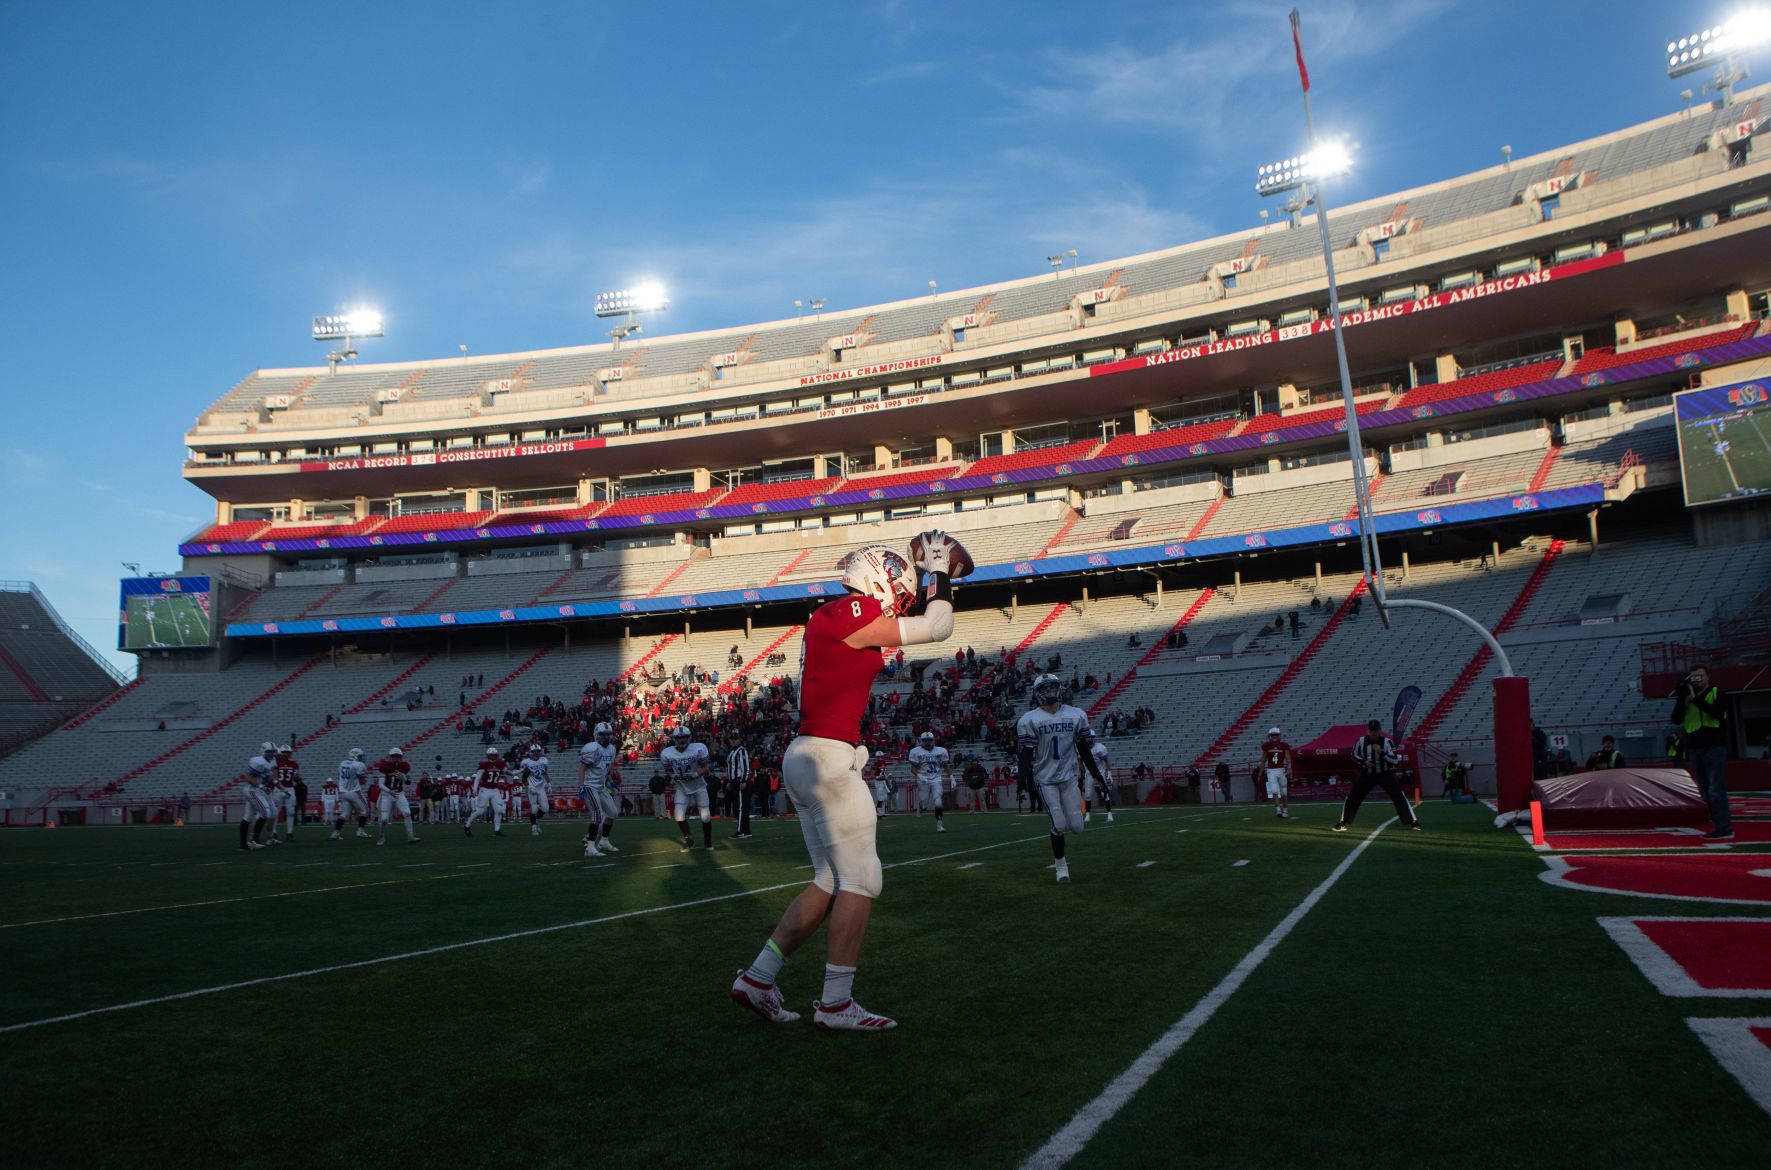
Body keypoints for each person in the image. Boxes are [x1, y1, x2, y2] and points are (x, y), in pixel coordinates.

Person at [730, 534, 957, 1032]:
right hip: (826, 758)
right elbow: (939, 625)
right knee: (863, 879)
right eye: (900, 584)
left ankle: (759, 978)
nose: (903, 595)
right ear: (879, 579)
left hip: (808, 754)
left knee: (830, 880)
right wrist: (938, 567)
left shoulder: (836, 618)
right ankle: (835, 1003)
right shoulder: (848, 612)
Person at [1018, 673, 1106, 883]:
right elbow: (1025, 756)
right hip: (1045, 779)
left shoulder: (1076, 715)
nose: (1049, 692)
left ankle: (1062, 858)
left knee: (1077, 826)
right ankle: (1061, 867)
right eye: (1044, 688)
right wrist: (1022, 781)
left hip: (1068, 777)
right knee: (1058, 824)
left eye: (1052, 687)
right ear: (1037, 694)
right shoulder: (1029, 719)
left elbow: (1084, 749)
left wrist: (1097, 775)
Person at [1672, 665, 1731, 840]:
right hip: (1695, 747)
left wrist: (1694, 698)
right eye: (1694, 676)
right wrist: (1682, 697)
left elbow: (1717, 713)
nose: (1697, 679)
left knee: (1715, 789)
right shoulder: (1687, 698)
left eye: (1700, 676)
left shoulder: (1717, 694)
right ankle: (1716, 822)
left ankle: (1724, 827)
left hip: (1714, 746)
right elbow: (1676, 718)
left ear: (1708, 677)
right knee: (1704, 790)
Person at [1334, 720, 1420, 832]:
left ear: (1380, 731)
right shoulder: (1361, 741)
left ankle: (1413, 822)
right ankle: (1343, 822)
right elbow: (1353, 755)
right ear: (1368, 731)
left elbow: (1395, 760)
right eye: (1371, 730)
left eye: (1375, 730)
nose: (1373, 733)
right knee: (1353, 797)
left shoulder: (1387, 742)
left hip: (1385, 773)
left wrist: (1382, 752)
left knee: (1399, 796)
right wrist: (1364, 762)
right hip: (1368, 774)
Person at [663, 725, 714, 853]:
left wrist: (697, 774)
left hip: (698, 785)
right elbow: (668, 769)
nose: (681, 740)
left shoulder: (698, 748)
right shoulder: (667, 753)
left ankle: (707, 840)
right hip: (681, 786)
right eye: (679, 738)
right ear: (674, 739)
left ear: (689, 737)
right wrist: (672, 775)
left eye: (684, 737)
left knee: (705, 816)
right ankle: (688, 840)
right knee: (678, 816)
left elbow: (706, 767)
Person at [579, 723, 621, 856]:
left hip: (601, 786)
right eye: (603, 735)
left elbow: (606, 768)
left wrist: (610, 781)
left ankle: (604, 841)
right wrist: (581, 786)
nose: (606, 738)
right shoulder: (592, 748)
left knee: (613, 813)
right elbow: (582, 768)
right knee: (597, 815)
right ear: (597, 735)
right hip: (590, 785)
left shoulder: (612, 749)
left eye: (608, 735)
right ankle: (590, 848)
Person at [374, 747, 420, 845]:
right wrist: (389, 791)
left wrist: (404, 777)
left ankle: (411, 836)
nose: (396, 759)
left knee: (407, 813)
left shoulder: (404, 766)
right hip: (386, 795)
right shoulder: (384, 766)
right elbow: (381, 784)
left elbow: (408, 782)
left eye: (398, 757)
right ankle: (381, 837)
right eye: (394, 756)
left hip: (399, 793)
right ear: (390, 757)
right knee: (384, 819)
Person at [907, 730, 950, 832]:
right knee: (924, 802)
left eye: (929, 740)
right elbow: (912, 768)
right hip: (924, 779)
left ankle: (939, 825)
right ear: (921, 741)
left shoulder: (941, 750)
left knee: (938, 801)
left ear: (933, 740)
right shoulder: (915, 751)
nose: (927, 742)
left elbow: (945, 765)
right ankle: (921, 807)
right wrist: (919, 775)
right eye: (925, 740)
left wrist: (951, 776)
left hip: (936, 778)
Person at [240, 741, 277, 851]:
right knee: (266, 812)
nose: (272, 754)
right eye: (269, 752)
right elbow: (248, 778)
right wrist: (261, 786)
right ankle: (254, 839)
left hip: (257, 790)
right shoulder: (258, 762)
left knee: (247, 817)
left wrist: (275, 784)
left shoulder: (271, 762)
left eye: (273, 752)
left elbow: (267, 776)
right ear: (264, 752)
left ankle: (244, 844)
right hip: (252, 790)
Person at [465, 747, 507, 836]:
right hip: (485, 790)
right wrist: (475, 789)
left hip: (495, 790)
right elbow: (478, 778)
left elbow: (508, 772)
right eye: (491, 755)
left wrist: (520, 771)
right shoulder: (484, 764)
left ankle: (497, 830)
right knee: (480, 811)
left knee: (499, 810)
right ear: (488, 756)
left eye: (494, 755)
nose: (493, 757)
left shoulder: (500, 764)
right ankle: (467, 825)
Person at [331, 748, 371, 839]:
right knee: (365, 811)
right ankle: (360, 831)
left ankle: (335, 833)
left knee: (345, 813)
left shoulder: (342, 763)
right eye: (360, 756)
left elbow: (340, 776)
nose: (362, 758)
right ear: (355, 755)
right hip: (354, 792)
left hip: (342, 792)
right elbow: (362, 781)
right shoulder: (359, 765)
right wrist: (362, 780)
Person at [725, 731, 754, 840]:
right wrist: (729, 781)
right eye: (731, 738)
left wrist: (743, 781)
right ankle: (746, 830)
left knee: (740, 807)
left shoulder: (741, 751)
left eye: (735, 739)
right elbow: (731, 768)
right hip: (734, 782)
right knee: (739, 807)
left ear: (740, 740)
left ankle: (741, 831)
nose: (732, 740)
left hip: (740, 781)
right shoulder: (732, 751)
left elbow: (746, 767)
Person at [1261, 727, 1293, 820]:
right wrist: (1260, 772)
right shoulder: (1266, 746)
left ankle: (1285, 810)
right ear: (1269, 736)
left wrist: (1289, 768)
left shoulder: (1284, 745)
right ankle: (1278, 810)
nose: (1274, 737)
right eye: (1272, 735)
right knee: (1274, 791)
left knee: (1284, 792)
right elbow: (1263, 760)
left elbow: (1288, 757)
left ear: (1279, 736)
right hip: (1271, 770)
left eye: (1276, 735)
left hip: (1281, 770)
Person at [519, 744, 551, 837]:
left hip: (540, 787)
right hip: (531, 787)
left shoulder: (544, 761)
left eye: (538, 751)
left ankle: (536, 820)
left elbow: (545, 772)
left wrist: (549, 783)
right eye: (534, 752)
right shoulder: (527, 762)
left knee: (545, 808)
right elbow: (524, 779)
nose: (536, 753)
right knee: (533, 808)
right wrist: (528, 787)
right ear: (531, 752)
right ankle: (533, 827)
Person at [1087, 736, 1115, 824]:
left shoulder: (1099, 747)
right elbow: (1080, 761)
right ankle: (1087, 814)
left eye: (1091, 737)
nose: (1089, 739)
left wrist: (1109, 772)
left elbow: (1106, 760)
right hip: (1088, 772)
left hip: (1100, 772)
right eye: (1088, 737)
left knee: (1104, 793)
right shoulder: (1082, 747)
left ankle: (1109, 814)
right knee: (1087, 794)